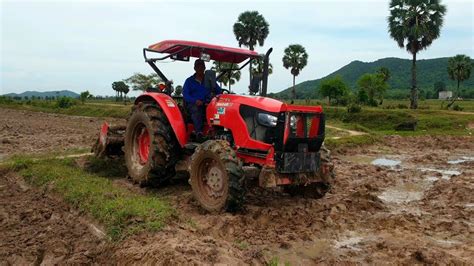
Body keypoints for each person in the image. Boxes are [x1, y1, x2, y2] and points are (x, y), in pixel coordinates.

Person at [183, 59, 222, 137]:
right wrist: (195, 101)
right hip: (194, 104)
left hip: (208, 103)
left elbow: (219, 92)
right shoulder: (189, 81)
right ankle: (199, 132)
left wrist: (214, 89)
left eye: (202, 67)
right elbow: (186, 95)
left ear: (204, 68)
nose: (200, 69)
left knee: (221, 110)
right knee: (196, 109)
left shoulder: (210, 80)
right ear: (195, 68)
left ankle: (219, 132)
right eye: (198, 67)